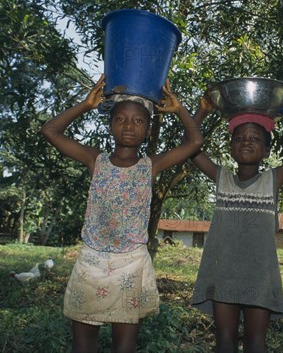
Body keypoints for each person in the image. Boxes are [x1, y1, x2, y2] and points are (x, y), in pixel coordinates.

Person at [40, 75, 203, 353]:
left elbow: (195, 142)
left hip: (131, 264)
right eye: (121, 119)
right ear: (110, 125)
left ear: (149, 130)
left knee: (124, 347)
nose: (129, 125)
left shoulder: (150, 165)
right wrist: (86, 104)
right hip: (92, 261)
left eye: (138, 121)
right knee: (83, 346)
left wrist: (180, 110)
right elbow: (50, 131)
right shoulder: (95, 160)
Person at [189, 91, 283, 352]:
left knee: (256, 341)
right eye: (240, 138)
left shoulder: (274, 179)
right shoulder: (220, 176)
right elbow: (190, 146)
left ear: (267, 149)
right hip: (223, 274)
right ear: (231, 146)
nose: (246, 142)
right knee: (224, 339)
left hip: (260, 277)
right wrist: (202, 110)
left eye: (255, 138)